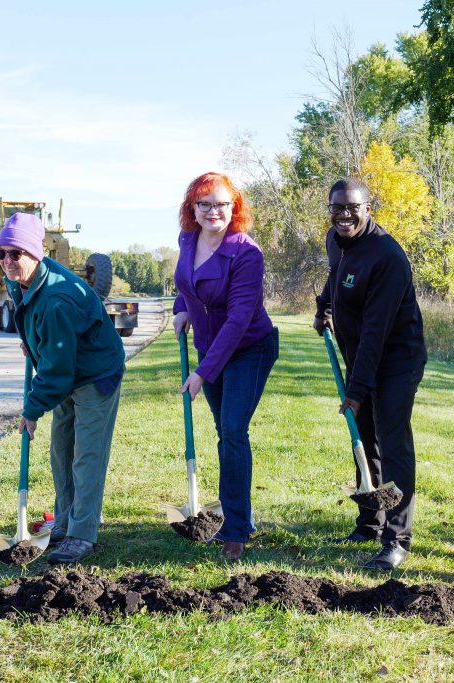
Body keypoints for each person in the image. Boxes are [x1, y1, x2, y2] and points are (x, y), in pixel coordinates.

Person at [0, 212, 126, 565]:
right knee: (60, 451)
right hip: (68, 367)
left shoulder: (58, 298)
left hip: (95, 373)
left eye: (16, 253)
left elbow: (57, 370)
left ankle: (82, 535)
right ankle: (65, 522)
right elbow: (28, 315)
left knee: (86, 456)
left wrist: (32, 409)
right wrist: (30, 340)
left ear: (36, 253)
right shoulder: (18, 278)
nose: (8, 261)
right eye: (2, 254)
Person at [314, 177, 427, 571]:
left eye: (352, 208)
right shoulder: (336, 239)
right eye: (336, 208)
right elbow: (336, 276)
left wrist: (357, 389)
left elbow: (376, 333)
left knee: (392, 443)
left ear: (368, 210)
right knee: (363, 436)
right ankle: (369, 523)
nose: (344, 215)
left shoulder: (387, 257)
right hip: (359, 354)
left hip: (397, 359)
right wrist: (324, 308)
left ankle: (397, 539)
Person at [172, 172, 278, 562]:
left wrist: (203, 373)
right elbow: (185, 282)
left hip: (249, 348)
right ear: (193, 210)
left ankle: (234, 529)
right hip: (210, 348)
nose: (212, 210)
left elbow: (238, 319)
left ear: (234, 208)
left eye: (220, 203)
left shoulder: (247, 253)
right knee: (224, 432)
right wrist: (181, 308)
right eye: (204, 204)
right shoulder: (188, 239)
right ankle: (241, 514)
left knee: (233, 430)